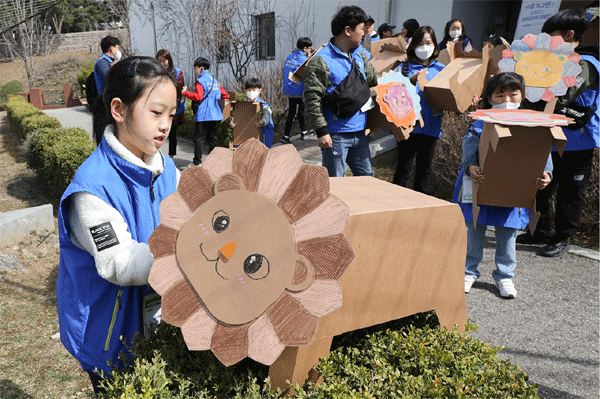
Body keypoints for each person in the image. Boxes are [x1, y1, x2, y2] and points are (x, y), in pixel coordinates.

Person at [57, 56, 181, 394]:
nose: (165, 125)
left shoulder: (168, 170)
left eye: (171, 114)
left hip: (157, 325)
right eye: (156, 113)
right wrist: (187, 251)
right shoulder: (91, 188)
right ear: (118, 109)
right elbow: (121, 263)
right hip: (111, 337)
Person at [455, 72, 553, 298]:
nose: (507, 100)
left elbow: (542, 149)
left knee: (508, 233)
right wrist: (471, 166)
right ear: (489, 98)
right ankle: (468, 272)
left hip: (513, 190)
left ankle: (505, 276)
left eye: (513, 94)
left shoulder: (531, 123)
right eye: (500, 95)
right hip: (478, 185)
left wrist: (546, 173)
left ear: (522, 96)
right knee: (474, 229)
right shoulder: (480, 120)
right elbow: (469, 146)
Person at [517, 9, 599, 257]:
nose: (547, 42)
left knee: (570, 192)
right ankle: (539, 231)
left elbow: (565, 96)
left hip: (578, 139)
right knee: (541, 186)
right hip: (550, 136)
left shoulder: (586, 63)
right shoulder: (556, 61)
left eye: (551, 36)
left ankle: (563, 237)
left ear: (569, 34)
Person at [303, 5, 379, 177]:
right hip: (335, 137)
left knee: (368, 180)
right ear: (347, 31)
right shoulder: (321, 61)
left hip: (360, 134)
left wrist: (363, 58)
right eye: (361, 29)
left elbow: (373, 78)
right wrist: (322, 132)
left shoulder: (358, 55)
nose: (365, 33)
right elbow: (312, 99)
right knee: (336, 185)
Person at [392, 26, 445, 194]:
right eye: (420, 43)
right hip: (408, 128)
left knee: (424, 170)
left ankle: (419, 207)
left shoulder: (442, 69)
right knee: (403, 168)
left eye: (428, 43)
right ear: (413, 46)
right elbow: (391, 92)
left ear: (436, 47)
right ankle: (394, 204)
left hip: (431, 128)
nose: (424, 47)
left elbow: (452, 97)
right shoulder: (404, 68)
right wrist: (411, 81)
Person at [182, 57, 229, 167]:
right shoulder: (215, 81)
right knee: (213, 139)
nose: (195, 71)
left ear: (201, 69)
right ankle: (213, 162)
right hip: (215, 114)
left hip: (203, 115)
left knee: (199, 139)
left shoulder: (200, 81)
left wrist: (185, 93)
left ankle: (197, 162)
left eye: (195, 68)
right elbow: (225, 95)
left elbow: (198, 97)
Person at [280, 37, 312, 144]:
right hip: (296, 89)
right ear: (305, 48)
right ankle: (285, 136)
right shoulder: (303, 60)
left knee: (300, 110)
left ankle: (304, 131)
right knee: (293, 112)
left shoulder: (290, 56)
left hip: (289, 87)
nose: (310, 50)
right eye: (309, 48)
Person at [156, 49, 186, 157]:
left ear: (169, 60)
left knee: (172, 132)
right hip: (159, 106)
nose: (162, 63)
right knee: (157, 131)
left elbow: (181, 88)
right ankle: (155, 154)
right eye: (159, 61)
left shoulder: (177, 72)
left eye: (164, 61)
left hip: (173, 106)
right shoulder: (156, 72)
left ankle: (171, 156)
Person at [92, 35, 121, 143]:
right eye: (118, 48)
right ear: (112, 49)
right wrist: (116, 66)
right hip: (104, 106)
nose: (119, 51)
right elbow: (108, 76)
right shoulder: (101, 63)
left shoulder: (110, 63)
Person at [234, 77, 274, 148]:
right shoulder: (242, 106)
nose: (251, 92)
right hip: (245, 140)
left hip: (261, 140)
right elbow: (237, 116)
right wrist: (233, 122)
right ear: (245, 91)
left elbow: (266, 116)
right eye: (249, 90)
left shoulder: (264, 106)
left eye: (254, 90)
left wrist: (262, 122)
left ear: (259, 91)